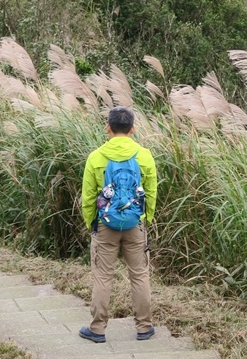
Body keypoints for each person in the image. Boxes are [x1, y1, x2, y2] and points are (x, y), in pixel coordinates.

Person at [79, 106, 157, 345]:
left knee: (103, 276)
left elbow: (88, 196)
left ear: (108, 128)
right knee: (139, 275)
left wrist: (92, 223)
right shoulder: (144, 155)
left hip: (105, 224)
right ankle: (144, 327)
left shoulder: (96, 157)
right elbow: (151, 192)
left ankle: (98, 329)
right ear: (132, 129)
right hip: (135, 224)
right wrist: (146, 219)